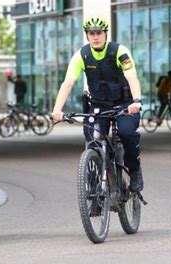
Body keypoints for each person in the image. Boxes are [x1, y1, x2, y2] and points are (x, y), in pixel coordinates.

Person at [51, 17, 144, 192]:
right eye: (91, 33)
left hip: (125, 104)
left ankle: (134, 170)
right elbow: (68, 83)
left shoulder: (119, 51)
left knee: (126, 133)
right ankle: (93, 189)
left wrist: (137, 101)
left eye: (99, 33)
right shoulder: (82, 55)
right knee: (93, 140)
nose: (95, 37)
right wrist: (57, 109)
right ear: (87, 35)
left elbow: (132, 77)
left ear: (105, 34)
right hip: (98, 105)